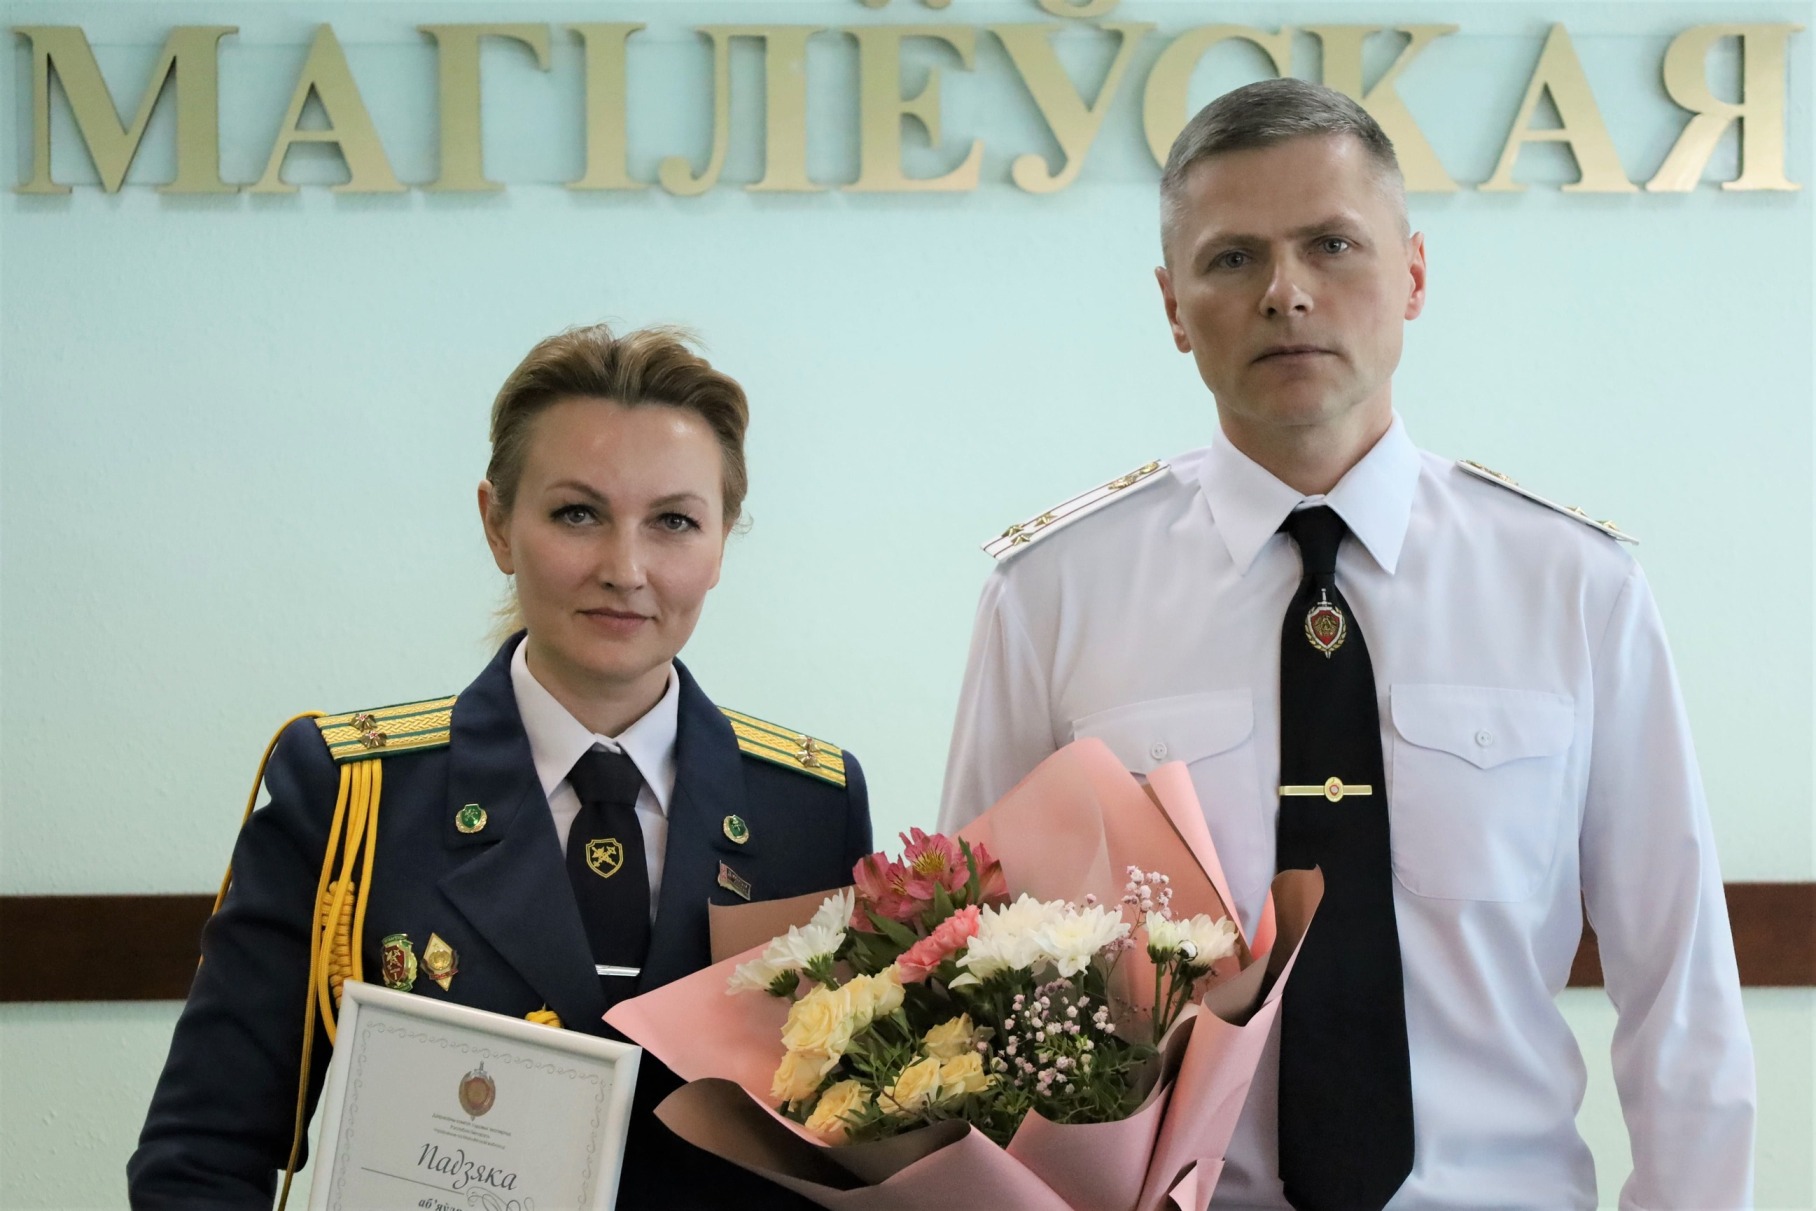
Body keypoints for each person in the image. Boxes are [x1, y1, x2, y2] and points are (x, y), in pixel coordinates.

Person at [937, 79, 1753, 1211]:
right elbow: (971, 975)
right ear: (1171, 305)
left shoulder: (1573, 586)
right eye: (1232, 259)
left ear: (1413, 274)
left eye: (1331, 244)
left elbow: (1680, 987)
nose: (1286, 292)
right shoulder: (1052, 594)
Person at [130, 323, 872, 1210]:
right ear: (497, 524)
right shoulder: (353, 795)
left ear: (719, 545)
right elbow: (201, 1158)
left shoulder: (808, 808)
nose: (625, 568)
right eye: (577, 513)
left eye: (674, 521)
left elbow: (852, 1150)